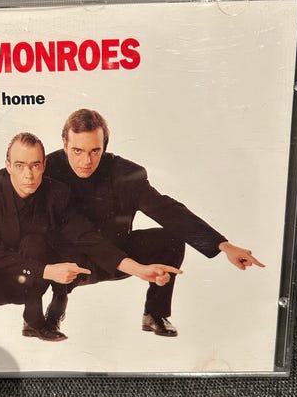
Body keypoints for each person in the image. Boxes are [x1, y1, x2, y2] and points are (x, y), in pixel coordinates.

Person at [0, 132, 182, 342]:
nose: (28, 175)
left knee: (39, 244)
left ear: (44, 165)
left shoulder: (57, 194)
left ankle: (35, 322)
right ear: (8, 166)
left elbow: (85, 237)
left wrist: (139, 269)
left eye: (35, 165)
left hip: (34, 271)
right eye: (20, 165)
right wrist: (47, 271)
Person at [44, 109, 265, 337]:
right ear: (65, 144)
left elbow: (166, 210)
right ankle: (52, 312)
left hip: (118, 254)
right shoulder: (45, 170)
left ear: (105, 146)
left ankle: (155, 314)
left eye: (95, 151)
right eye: (77, 151)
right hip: (72, 260)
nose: (86, 161)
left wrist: (224, 245)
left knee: (171, 240)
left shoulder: (125, 173)